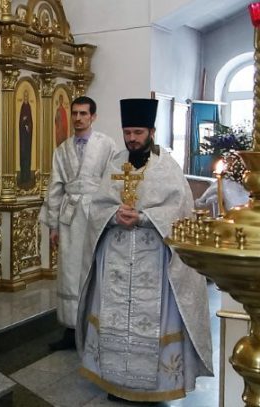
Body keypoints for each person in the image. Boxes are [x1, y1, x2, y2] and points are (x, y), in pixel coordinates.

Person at [76, 98, 213, 402]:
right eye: (127, 132)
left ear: (151, 132)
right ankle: (115, 380)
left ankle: (154, 388)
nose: (132, 139)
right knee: (113, 317)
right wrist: (113, 215)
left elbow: (180, 211)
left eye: (138, 132)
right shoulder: (115, 163)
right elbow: (97, 206)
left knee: (152, 322)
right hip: (115, 256)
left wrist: (144, 217)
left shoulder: (167, 167)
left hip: (153, 260)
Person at [39, 96, 116, 351]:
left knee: (95, 269)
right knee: (70, 272)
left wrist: (111, 217)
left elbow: (113, 182)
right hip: (70, 218)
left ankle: (95, 328)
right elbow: (55, 187)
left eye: (83, 113)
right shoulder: (62, 150)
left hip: (96, 215)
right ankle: (71, 330)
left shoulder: (107, 145)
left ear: (93, 116)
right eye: (74, 113)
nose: (78, 118)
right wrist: (53, 226)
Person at [18, 89, 34, 185]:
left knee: (28, 154)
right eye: (25, 96)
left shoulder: (29, 106)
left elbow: (31, 121)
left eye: (27, 96)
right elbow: (20, 122)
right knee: (23, 154)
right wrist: (23, 121)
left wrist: (29, 126)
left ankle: (27, 175)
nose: (26, 97)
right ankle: (23, 175)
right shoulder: (22, 106)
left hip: (28, 136)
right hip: (23, 136)